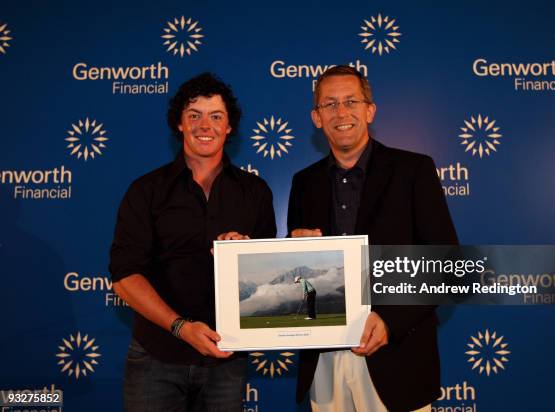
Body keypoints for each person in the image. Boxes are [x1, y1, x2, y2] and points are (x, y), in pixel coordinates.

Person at [287, 66, 458, 412]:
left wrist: (390, 321)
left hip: (398, 356)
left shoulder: (414, 170)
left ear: (370, 110)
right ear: (316, 117)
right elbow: (298, 279)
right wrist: (294, 251)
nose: (341, 112)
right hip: (325, 361)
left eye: (351, 101)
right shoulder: (304, 183)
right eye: (329, 104)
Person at [109, 72, 276, 412]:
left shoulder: (255, 192)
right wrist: (181, 328)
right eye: (194, 115)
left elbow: (268, 280)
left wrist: (246, 254)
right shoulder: (146, 191)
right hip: (157, 355)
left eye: (216, 116)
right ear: (179, 125)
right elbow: (125, 278)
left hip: (226, 359)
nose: (205, 125)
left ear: (229, 127)